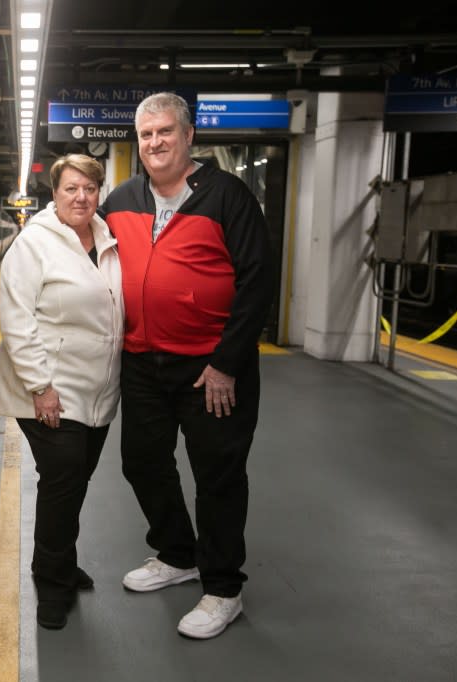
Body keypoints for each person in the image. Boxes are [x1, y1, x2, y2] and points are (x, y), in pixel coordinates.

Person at [99, 92, 273, 639]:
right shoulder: (122, 199)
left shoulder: (227, 195)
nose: (154, 143)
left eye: (165, 132)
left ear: (189, 135)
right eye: (146, 135)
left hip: (211, 369)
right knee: (141, 461)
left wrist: (227, 363)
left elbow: (256, 283)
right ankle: (177, 554)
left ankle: (223, 589)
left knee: (217, 476)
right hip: (143, 361)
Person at [0, 154, 124, 630]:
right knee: (62, 481)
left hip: (98, 392)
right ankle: (52, 583)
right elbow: (16, 319)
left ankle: (58, 562)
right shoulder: (34, 244)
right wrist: (41, 387)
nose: (81, 197)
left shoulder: (107, 239)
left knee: (74, 481)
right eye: (71, 188)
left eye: (89, 188)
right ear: (56, 192)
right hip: (50, 392)